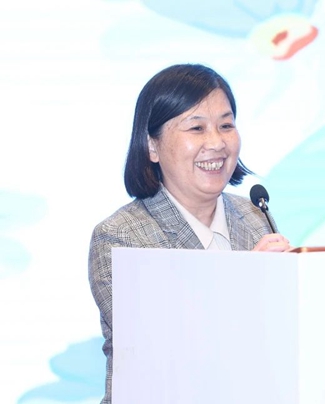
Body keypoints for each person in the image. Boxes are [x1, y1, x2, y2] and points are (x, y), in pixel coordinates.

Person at [88, 64, 291, 404]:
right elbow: (161, 352)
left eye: (226, 125)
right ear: (152, 146)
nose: (216, 143)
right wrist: (248, 283)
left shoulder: (255, 217)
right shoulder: (121, 237)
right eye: (196, 128)